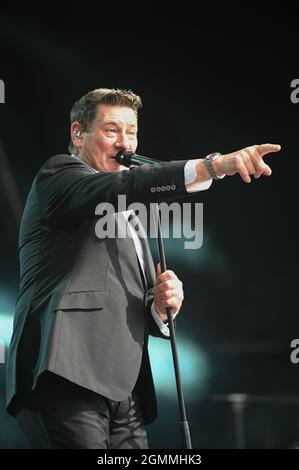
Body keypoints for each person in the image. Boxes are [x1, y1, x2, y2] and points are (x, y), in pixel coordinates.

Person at [6, 88, 281, 449]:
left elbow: (136, 306)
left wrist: (161, 305)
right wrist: (214, 166)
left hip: (126, 391)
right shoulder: (58, 176)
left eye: (131, 131)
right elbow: (128, 183)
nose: (125, 143)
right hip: (65, 372)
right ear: (77, 133)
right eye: (111, 130)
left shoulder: (132, 220)